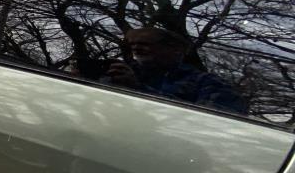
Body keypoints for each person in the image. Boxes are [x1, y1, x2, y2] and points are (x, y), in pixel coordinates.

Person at [102, 27, 248, 114]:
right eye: (132, 45)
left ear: (175, 50)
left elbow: (214, 122)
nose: (136, 48)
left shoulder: (206, 83)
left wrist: (138, 89)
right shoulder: (119, 71)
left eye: (145, 44)